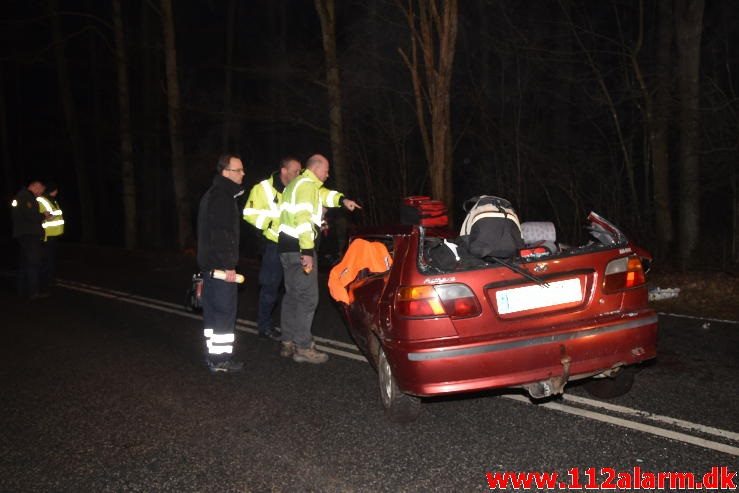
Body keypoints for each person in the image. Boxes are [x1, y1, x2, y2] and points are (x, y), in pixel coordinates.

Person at [277, 154, 361, 363]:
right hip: (299, 248)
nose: (328, 174)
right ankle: (303, 347)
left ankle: (288, 340)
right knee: (308, 298)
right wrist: (307, 252)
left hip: (287, 249)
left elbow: (325, 195)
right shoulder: (306, 186)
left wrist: (343, 200)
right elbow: (304, 220)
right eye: (326, 170)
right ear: (315, 169)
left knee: (293, 296)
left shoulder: (301, 184)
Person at [242, 157, 302, 340]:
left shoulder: (297, 189)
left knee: (294, 289)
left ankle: (291, 327)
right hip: (273, 246)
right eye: (295, 172)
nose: (299, 175)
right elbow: (249, 214)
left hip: (295, 245)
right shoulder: (262, 189)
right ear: (284, 171)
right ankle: (264, 326)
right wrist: (272, 224)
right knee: (270, 287)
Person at [197, 154, 247, 373]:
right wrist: (229, 265)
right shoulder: (222, 197)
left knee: (213, 314)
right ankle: (221, 360)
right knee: (224, 315)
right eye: (239, 170)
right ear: (226, 172)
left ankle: (212, 356)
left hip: (209, 267)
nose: (243, 173)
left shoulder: (213, 194)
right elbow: (221, 234)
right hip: (219, 269)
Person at [11, 181, 47, 299]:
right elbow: (30, 215)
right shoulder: (25, 197)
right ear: (35, 187)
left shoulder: (25, 196)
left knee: (25, 262)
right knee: (33, 262)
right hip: (29, 235)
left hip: (26, 235)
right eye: (41, 190)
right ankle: (33, 291)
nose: (41, 193)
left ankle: (23, 290)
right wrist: (44, 216)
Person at [37, 181, 65, 291]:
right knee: (48, 259)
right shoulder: (42, 200)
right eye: (55, 190)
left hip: (54, 233)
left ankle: (50, 279)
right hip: (47, 234)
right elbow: (43, 215)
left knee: (51, 258)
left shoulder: (52, 200)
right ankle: (46, 281)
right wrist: (49, 216)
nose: (57, 192)